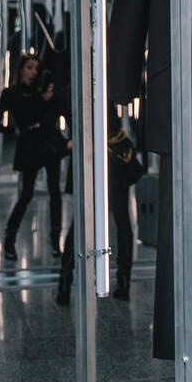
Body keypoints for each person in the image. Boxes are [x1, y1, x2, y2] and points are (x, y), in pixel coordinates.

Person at [56, 111, 142, 307]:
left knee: (79, 226)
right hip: (114, 166)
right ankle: (123, 283)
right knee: (122, 223)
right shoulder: (108, 88)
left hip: (93, 164)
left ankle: (64, 284)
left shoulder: (77, 90)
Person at [0, 57, 65, 262]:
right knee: (26, 194)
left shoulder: (41, 92)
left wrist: (47, 100)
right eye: (29, 68)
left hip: (48, 143)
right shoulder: (10, 94)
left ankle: (55, 243)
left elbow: (51, 116)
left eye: (36, 68)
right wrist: (15, 130)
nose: (33, 72)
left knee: (55, 193)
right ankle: (9, 241)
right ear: (20, 69)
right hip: (29, 145)